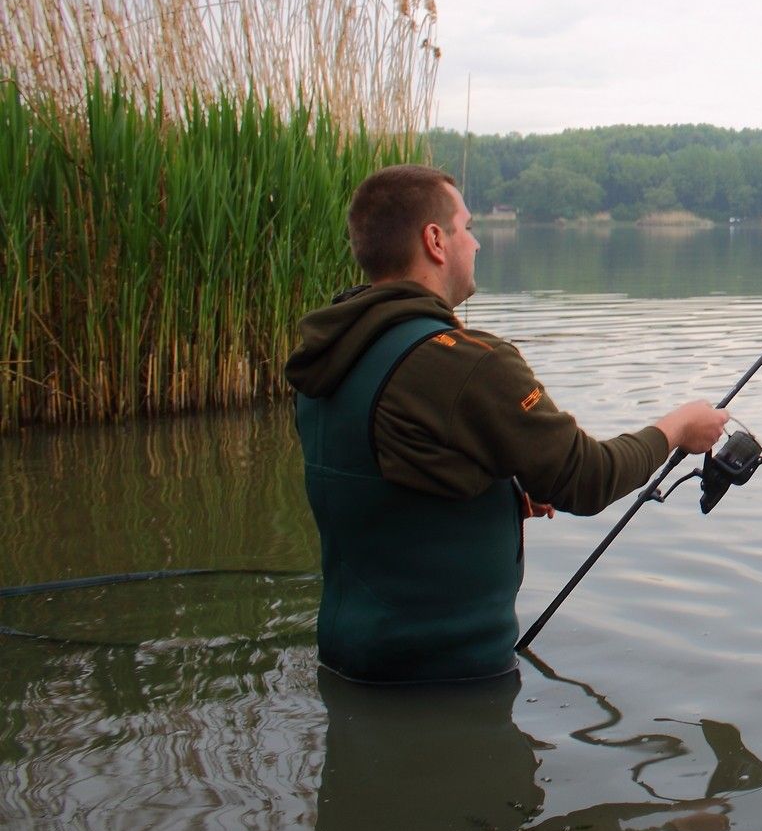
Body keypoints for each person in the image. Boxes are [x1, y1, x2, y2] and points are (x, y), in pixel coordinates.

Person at [284, 164, 728, 683]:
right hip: (447, 681)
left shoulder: (328, 352)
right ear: (434, 240)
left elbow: (383, 473)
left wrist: (499, 486)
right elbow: (587, 479)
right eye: (466, 228)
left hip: (344, 661)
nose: (476, 244)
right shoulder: (467, 363)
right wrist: (678, 427)